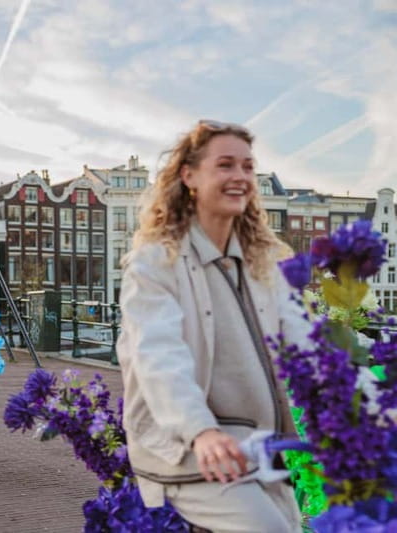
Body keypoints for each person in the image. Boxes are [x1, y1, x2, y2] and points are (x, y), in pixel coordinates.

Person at [116, 120, 310, 532]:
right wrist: (200, 431)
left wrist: (367, 404)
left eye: (247, 167)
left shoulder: (263, 266)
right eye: (225, 165)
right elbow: (157, 355)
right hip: (188, 449)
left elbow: (306, 346)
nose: (240, 177)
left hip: (256, 448)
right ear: (189, 176)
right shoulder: (155, 263)